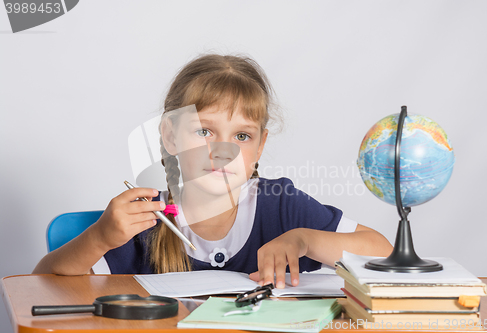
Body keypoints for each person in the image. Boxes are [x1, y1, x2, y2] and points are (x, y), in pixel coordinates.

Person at [33, 54, 392, 288]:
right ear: (170, 137)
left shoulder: (279, 204)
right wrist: (100, 237)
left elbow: (381, 252)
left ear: (260, 147)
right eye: (204, 131)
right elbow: (40, 284)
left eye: (241, 136)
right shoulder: (147, 221)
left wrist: (305, 240)